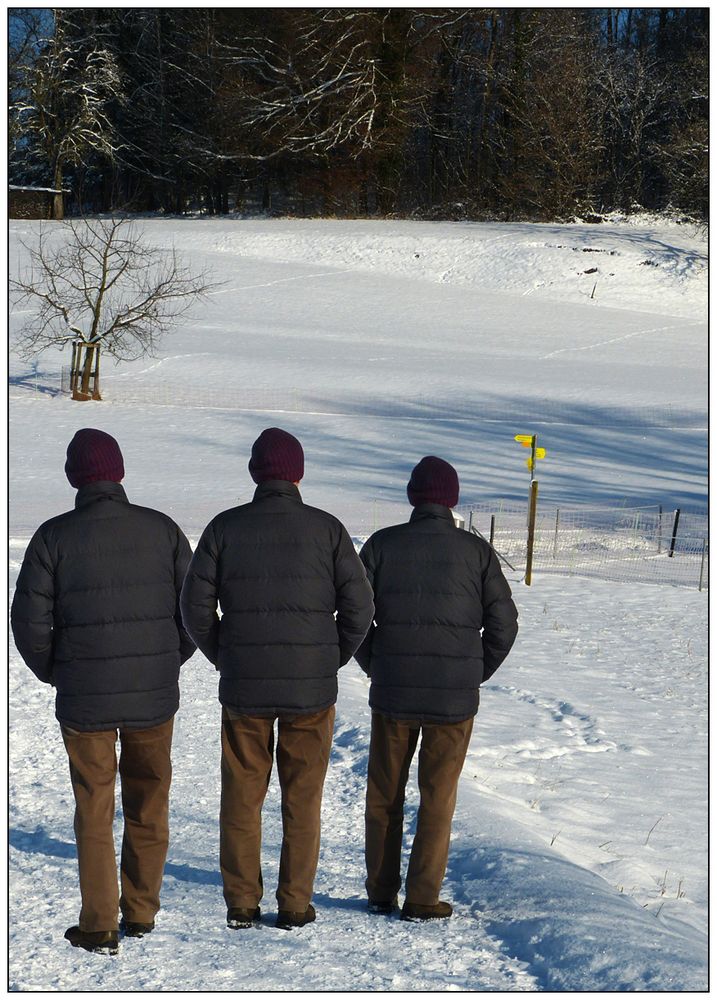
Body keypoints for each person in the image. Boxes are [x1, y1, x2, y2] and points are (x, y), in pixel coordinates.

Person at [180, 427, 374, 931]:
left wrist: (226, 654)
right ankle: (294, 904)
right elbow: (360, 607)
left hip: (245, 684)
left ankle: (242, 902)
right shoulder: (328, 530)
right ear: (298, 474)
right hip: (310, 688)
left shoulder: (224, 528)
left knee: (242, 797)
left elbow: (194, 608)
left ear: (255, 473)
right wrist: (329, 657)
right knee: (302, 798)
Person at [11, 429, 195, 956]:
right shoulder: (162, 530)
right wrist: (168, 662)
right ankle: (141, 911)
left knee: (94, 807)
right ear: (119, 473)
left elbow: (28, 622)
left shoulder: (52, 537)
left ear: (75, 477)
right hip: (153, 697)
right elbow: (192, 611)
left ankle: (98, 922)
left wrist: (59, 671)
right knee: (149, 801)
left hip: (84, 697)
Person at [355, 455, 518, 922]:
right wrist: (473, 670)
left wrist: (376, 664)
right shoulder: (477, 552)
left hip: (394, 693)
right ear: (451, 500)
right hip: (453, 697)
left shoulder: (382, 546)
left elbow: (355, 614)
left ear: (413, 497)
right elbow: (504, 624)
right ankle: (423, 897)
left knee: (384, 794)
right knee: (438, 796)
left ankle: (381, 891)